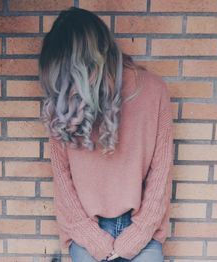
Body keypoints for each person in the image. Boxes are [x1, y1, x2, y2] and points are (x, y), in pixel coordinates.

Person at [38, 6, 174, 262]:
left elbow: (161, 175)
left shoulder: (154, 91)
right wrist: (93, 239)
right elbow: (62, 181)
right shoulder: (62, 102)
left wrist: (137, 236)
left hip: (142, 231)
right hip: (87, 233)